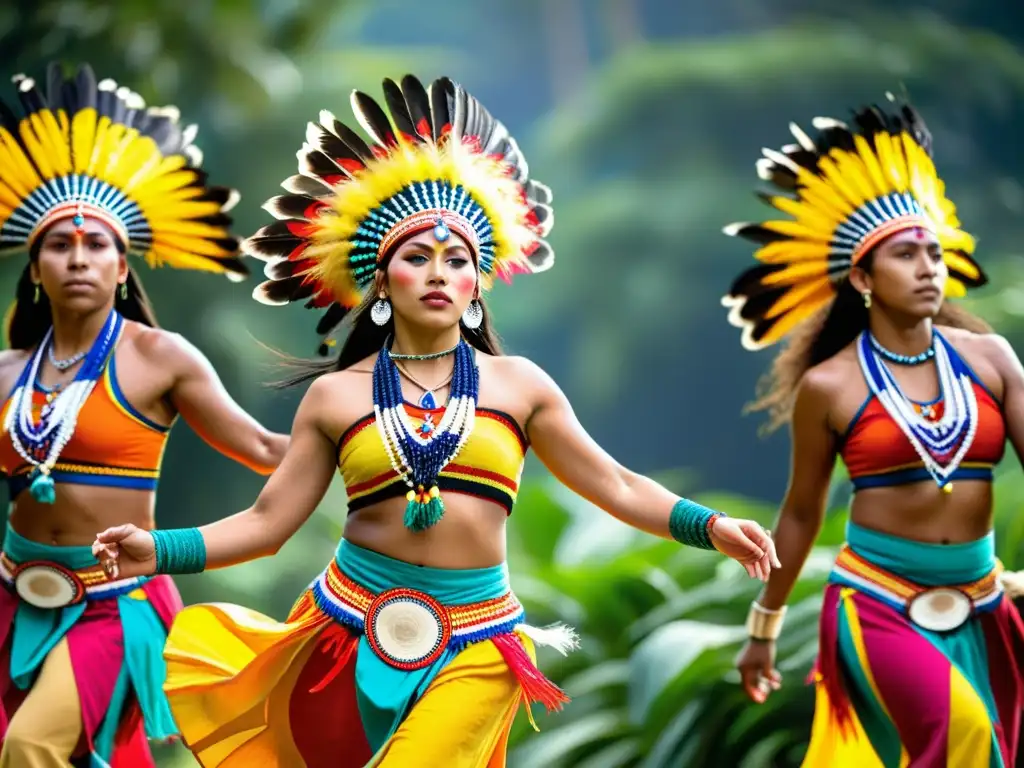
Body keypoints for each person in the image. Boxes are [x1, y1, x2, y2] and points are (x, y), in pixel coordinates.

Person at [92, 74, 780, 768]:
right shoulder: (337, 397)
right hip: (342, 630)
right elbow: (269, 524)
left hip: (481, 642)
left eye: (458, 260)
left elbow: (617, 485)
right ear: (381, 282)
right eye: (417, 257)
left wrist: (710, 525)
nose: (438, 272)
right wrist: (162, 549)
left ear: (478, 286)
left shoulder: (521, 387)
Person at [0, 62, 289, 767]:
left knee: (30, 749)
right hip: (11, 593)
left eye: (96, 244)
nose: (78, 258)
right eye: (59, 245)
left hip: (113, 604)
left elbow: (258, 445)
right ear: (34, 267)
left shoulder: (161, 358)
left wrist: (364, 437)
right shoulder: (7, 372)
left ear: (123, 267)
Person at [724, 94, 1024, 767]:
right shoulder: (830, 387)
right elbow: (800, 515)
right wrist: (763, 628)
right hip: (877, 603)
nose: (928, 268)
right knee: (965, 734)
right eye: (906, 256)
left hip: (984, 602)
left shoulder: (991, 359)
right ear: (861, 276)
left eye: (935, 254)